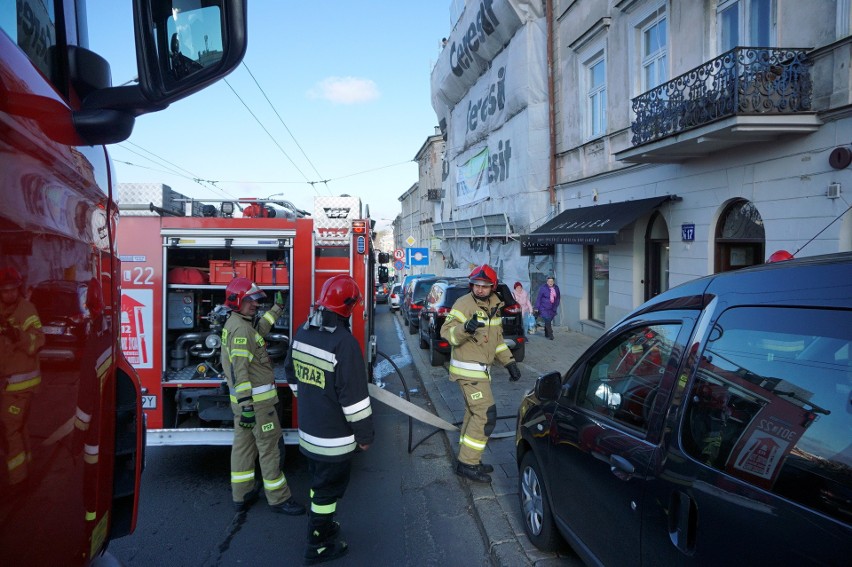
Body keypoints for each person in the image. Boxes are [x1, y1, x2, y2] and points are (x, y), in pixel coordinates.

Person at [285, 275, 374, 565]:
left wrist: (311, 397)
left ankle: (322, 522)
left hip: (309, 433)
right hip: (333, 440)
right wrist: (364, 436)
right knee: (328, 490)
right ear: (347, 308)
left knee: (318, 485)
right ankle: (318, 544)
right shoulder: (344, 344)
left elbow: (291, 374)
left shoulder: (302, 332)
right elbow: (355, 401)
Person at [221, 277, 305, 516]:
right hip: (257, 406)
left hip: (246, 405)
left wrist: (277, 310)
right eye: (250, 301)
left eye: (256, 301)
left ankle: (242, 495)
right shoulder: (240, 328)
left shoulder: (239, 323)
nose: (255, 305)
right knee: (270, 449)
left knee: (243, 449)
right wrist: (248, 404)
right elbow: (240, 372)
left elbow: (259, 331)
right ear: (237, 301)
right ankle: (279, 499)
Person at [440, 264, 521, 483]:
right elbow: (447, 334)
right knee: (486, 415)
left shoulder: (495, 305)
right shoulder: (463, 304)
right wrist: (466, 328)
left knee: (473, 414)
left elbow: (496, 341)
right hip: (468, 371)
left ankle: (467, 459)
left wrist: (510, 363)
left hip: (482, 372)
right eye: (476, 285)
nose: (480, 289)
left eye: (485, 286)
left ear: (493, 287)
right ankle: (468, 463)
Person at [0, 267, 44, 488]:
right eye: (4, 291)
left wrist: (19, 336)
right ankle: (25, 467)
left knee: (10, 429)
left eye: (12, 290)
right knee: (19, 428)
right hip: (6, 385)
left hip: (21, 385)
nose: (9, 294)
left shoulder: (27, 310)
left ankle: (17, 480)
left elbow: (39, 340)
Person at [534, 276, 561, 341]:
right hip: (544, 307)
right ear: (547, 282)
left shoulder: (556, 288)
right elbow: (539, 298)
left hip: (552, 308)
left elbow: (558, 298)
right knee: (547, 320)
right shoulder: (543, 288)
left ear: (553, 282)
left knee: (548, 320)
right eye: (549, 281)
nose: (550, 282)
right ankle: (550, 334)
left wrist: (556, 305)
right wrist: (536, 307)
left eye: (552, 281)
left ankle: (546, 333)